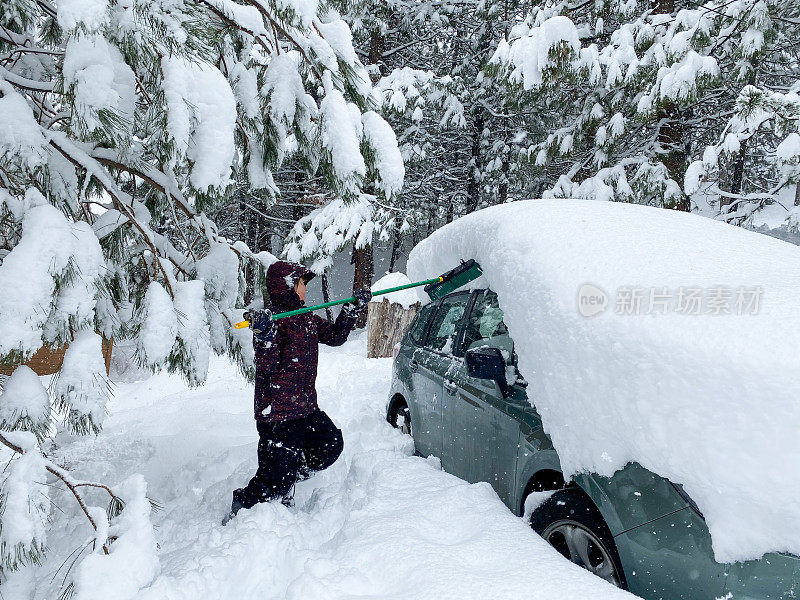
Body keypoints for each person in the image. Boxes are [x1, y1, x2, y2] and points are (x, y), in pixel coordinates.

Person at [224, 260, 371, 523]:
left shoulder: (306, 318)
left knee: (330, 445)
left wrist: (351, 310)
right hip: (278, 413)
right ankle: (243, 506)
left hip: (304, 407)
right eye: (302, 283)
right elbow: (266, 367)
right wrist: (265, 336)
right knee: (273, 481)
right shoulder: (271, 320)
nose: (305, 289)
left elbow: (336, 337)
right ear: (287, 286)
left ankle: (289, 475)